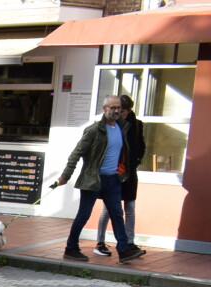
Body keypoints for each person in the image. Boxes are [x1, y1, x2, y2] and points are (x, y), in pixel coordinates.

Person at [53, 94, 144, 264]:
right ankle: (71, 248)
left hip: (113, 180)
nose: (116, 111)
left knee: (117, 215)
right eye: (112, 108)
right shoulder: (94, 130)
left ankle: (123, 251)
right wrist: (66, 175)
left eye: (118, 108)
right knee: (84, 215)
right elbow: (77, 153)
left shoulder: (122, 127)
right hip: (93, 179)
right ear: (104, 109)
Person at [94, 94, 145, 257]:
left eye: (125, 111)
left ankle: (129, 242)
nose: (122, 114)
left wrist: (135, 161)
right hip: (113, 172)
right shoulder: (110, 125)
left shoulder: (136, 125)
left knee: (130, 208)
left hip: (129, 173)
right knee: (108, 209)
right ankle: (100, 242)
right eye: (120, 110)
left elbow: (141, 146)